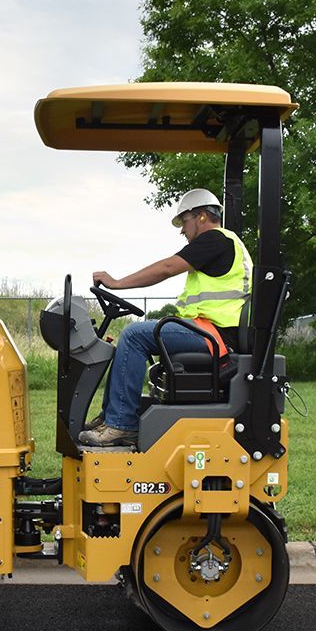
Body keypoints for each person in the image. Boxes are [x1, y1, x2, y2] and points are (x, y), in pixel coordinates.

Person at [79, 188, 252, 448]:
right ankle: (111, 418)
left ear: (202, 216)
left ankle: (121, 425)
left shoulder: (215, 240)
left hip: (213, 336)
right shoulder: (227, 243)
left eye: (184, 221)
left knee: (134, 335)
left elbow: (167, 268)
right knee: (135, 334)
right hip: (210, 332)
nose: (183, 230)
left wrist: (116, 283)